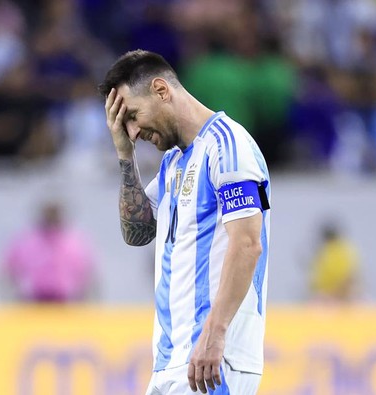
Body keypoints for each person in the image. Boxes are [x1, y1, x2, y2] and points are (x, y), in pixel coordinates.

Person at [99, 50, 271, 394]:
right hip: (172, 362)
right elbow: (138, 232)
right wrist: (123, 154)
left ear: (161, 90)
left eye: (132, 115)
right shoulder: (174, 163)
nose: (132, 131)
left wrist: (215, 332)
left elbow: (248, 243)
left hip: (212, 360)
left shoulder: (227, 145)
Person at [2, 200, 97, 303]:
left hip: (66, 302)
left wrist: (84, 300)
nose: (52, 220)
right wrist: (13, 296)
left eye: (54, 215)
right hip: (35, 301)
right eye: (49, 216)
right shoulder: (27, 242)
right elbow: (8, 269)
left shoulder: (74, 243)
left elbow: (88, 274)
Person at [309, 221, 360, 303]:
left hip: (344, 296)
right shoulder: (325, 251)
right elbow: (316, 280)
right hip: (327, 296)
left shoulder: (342, 251)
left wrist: (336, 294)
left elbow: (350, 278)